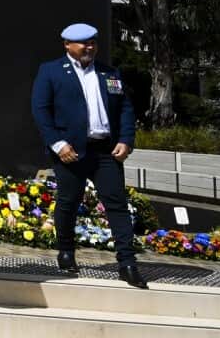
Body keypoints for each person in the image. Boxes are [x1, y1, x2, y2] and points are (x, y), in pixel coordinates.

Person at [30, 23, 146, 288]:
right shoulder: (50, 71)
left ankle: (127, 262)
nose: (89, 47)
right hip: (71, 151)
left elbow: (126, 109)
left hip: (105, 150)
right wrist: (57, 144)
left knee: (116, 203)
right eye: (83, 43)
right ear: (67, 45)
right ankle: (66, 251)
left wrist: (127, 140)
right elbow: (41, 110)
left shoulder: (109, 72)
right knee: (69, 202)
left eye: (93, 42)